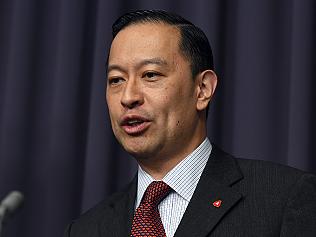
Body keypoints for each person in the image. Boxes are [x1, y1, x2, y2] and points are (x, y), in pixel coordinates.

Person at [64, 10, 316, 237]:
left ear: (202, 89)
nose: (128, 97)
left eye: (150, 75)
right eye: (116, 80)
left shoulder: (284, 198)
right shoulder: (86, 229)